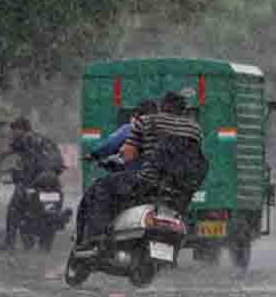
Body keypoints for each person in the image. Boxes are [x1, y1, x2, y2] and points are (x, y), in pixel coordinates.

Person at [74, 92, 207, 251]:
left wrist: (113, 160)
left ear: (163, 107)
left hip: (148, 184)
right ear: (184, 110)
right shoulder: (195, 129)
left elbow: (127, 153)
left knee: (101, 188)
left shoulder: (147, 121)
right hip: (180, 191)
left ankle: (96, 238)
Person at [0, 117, 66, 251]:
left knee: (13, 208)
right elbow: (58, 162)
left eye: (15, 130)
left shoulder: (25, 139)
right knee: (51, 210)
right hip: (53, 182)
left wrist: (1, 161)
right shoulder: (45, 139)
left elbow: (8, 154)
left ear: (21, 129)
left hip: (37, 181)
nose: (13, 133)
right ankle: (48, 236)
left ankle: (9, 242)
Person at [84, 99, 158, 170]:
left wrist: (94, 155)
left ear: (137, 114)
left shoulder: (131, 127)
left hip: (133, 172)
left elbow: (111, 143)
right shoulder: (162, 127)